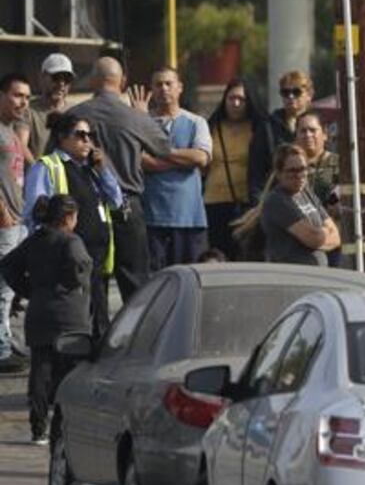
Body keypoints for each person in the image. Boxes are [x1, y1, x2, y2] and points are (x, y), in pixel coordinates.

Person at [72, 57, 172, 302]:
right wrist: (143, 115)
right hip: (128, 207)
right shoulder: (134, 116)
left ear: (94, 80)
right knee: (135, 281)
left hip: (87, 208)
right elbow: (164, 148)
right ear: (123, 82)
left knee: (92, 279)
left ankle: (95, 338)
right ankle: (137, 336)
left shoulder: (75, 115)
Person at [0, 195, 91, 444]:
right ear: (68, 217)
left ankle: (38, 428)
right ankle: (69, 427)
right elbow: (80, 266)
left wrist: (30, 289)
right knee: (71, 373)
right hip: (70, 316)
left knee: (41, 371)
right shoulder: (72, 241)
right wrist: (75, 285)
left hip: (39, 312)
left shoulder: (35, 240)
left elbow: (8, 264)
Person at [24, 113, 123, 338]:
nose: (87, 140)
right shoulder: (48, 166)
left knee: (99, 319)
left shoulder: (91, 169)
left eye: (91, 135)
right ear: (62, 138)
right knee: (74, 322)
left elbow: (116, 201)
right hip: (67, 259)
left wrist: (103, 169)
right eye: (80, 135)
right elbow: (34, 214)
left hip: (96, 258)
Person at [142, 67, 212, 269]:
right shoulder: (143, 122)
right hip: (153, 219)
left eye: (168, 83)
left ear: (179, 88)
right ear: (152, 90)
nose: (163, 88)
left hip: (190, 219)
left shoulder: (196, 122)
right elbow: (141, 161)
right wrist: (182, 157)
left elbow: (200, 157)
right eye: (158, 84)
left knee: (191, 279)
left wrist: (161, 152)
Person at [204, 78, 263, 261]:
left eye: (241, 99)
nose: (236, 103)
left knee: (245, 257)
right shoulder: (211, 127)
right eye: (231, 98)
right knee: (218, 257)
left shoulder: (259, 128)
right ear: (224, 100)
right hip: (214, 204)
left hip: (246, 205)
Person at [259, 144, 340, 266]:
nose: (299, 175)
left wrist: (319, 236)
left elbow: (336, 236)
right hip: (294, 277)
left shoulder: (306, 191)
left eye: (303, 169)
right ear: (279, 173)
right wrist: (321, 234)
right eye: (292, 171)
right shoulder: (277, 201)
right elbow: (313, 238)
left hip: (318, 275)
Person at [0, 73, 30, 373]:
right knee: (3, 289)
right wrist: (3, 211)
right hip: (4, 222)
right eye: (17, 95)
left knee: (12, 289)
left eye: (26, 97)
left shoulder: (11, 132)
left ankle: (7, 341)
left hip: (18, 220)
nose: (23, 102)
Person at [248, 70, 313, 202]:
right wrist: (259, 203)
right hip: (278, 200)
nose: (290, 96)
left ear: (309, 95)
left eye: (296, 92)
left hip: (313, 197)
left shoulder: (319, 126)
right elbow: (256, 171)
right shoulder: (268, 126)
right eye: (285, 92)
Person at [26, 52, 75, 158]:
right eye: (56, 77)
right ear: (41, 78)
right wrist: (38, 170)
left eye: (67, 79)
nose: (61, 84)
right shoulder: (28, 111)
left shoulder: (76, 112)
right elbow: (21, 146)